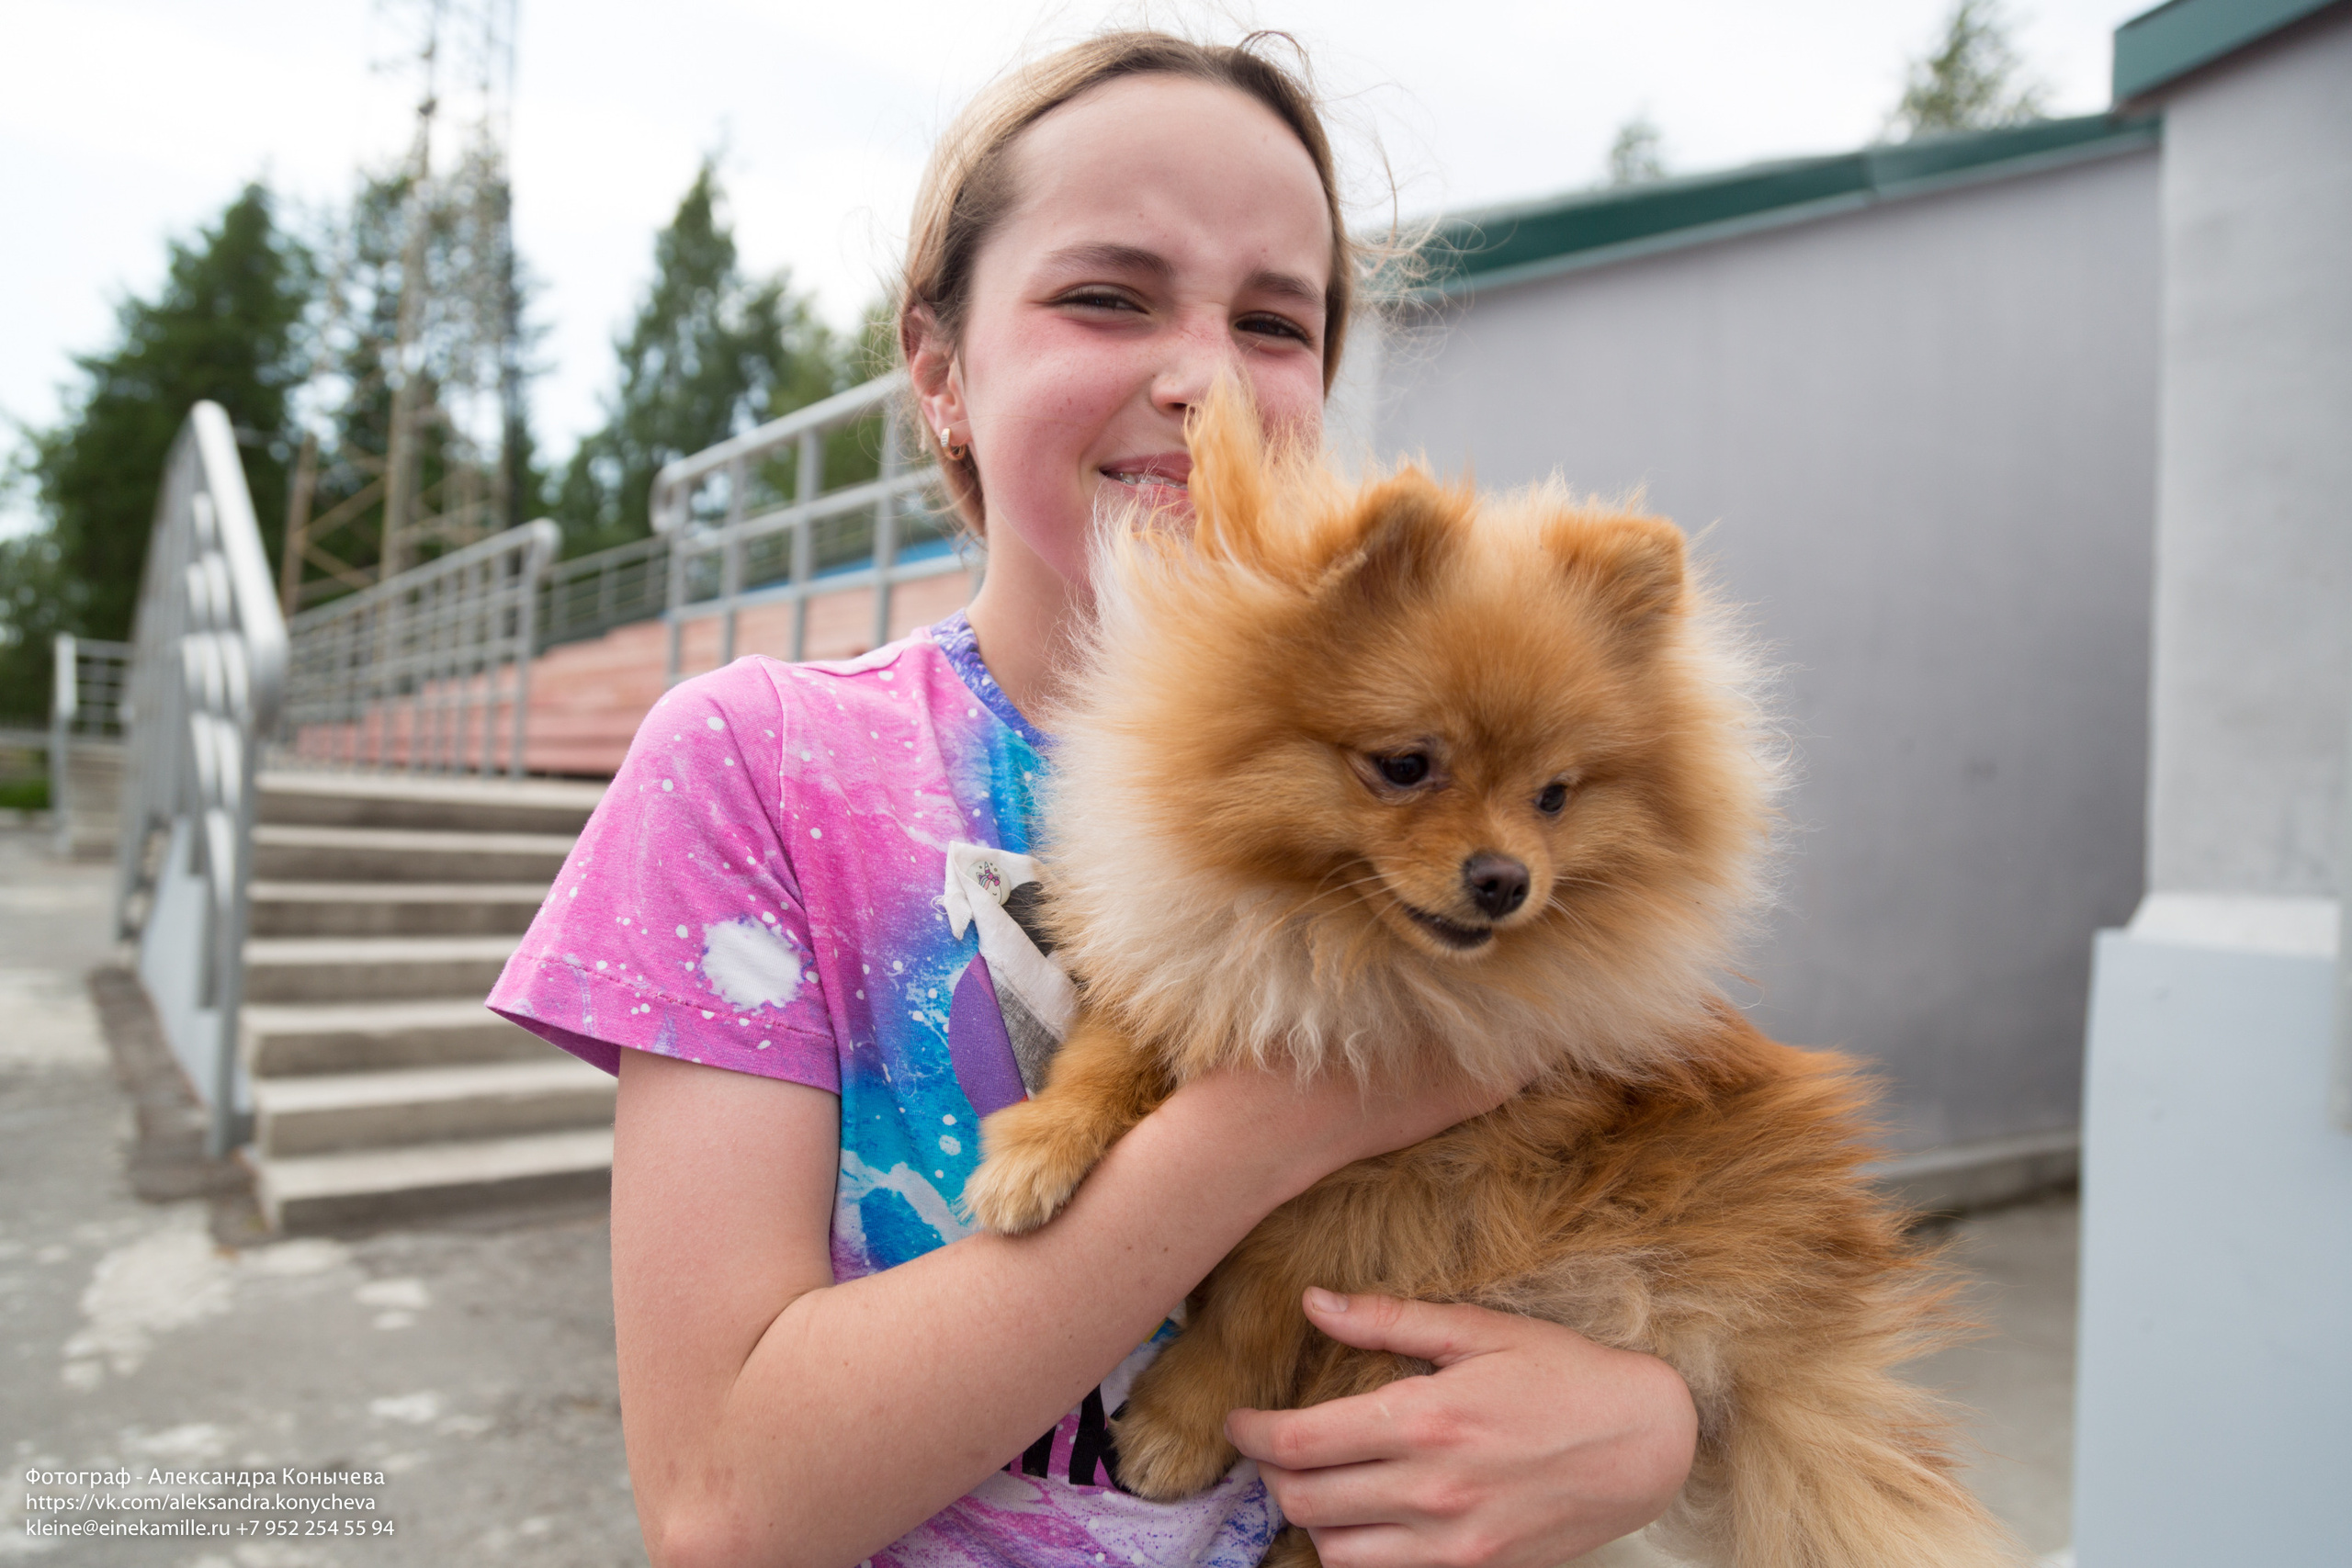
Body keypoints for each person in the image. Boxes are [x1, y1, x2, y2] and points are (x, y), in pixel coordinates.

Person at [488, 30, 1698, 1568]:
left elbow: (1656, 1189)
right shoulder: (760, 766)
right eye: (1106, 297)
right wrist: (1263, 1127)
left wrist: (1658, 1421)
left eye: (1277, 321)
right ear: (939, 370)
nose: (1202, 381)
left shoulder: (1486, 773)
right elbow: (727, 1509)